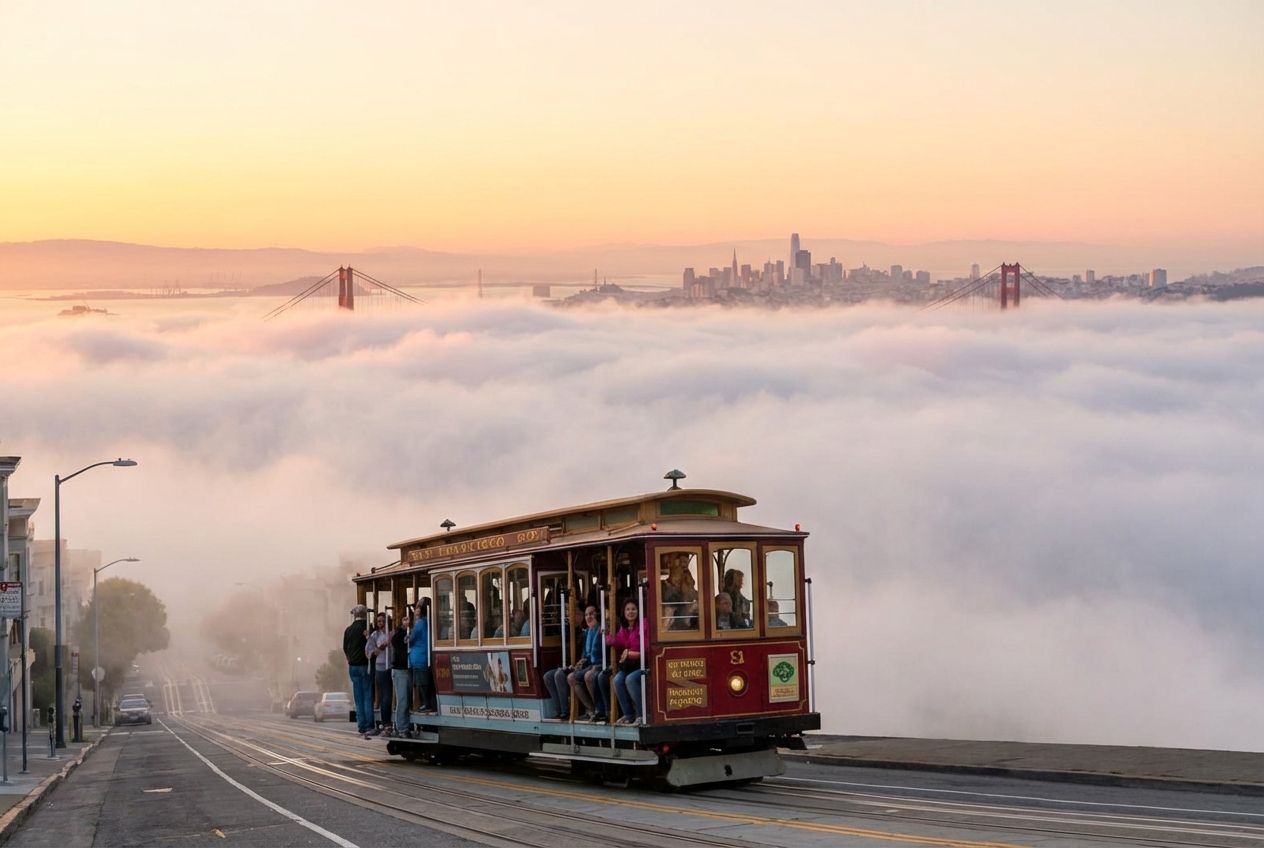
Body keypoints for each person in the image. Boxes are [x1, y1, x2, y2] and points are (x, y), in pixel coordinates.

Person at [607, 598, 646, 725]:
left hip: (644, 664)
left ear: (638, 610)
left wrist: (630, 653)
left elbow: (645, 647)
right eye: (628, 609)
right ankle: (629, 714)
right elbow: (619, 642)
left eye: (633, 609)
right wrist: (607, 637)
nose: (631, 612)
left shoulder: (643, 624)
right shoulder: (625, 628)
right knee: (617, 680)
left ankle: (641, 714)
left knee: (630, 679)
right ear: (623, 612)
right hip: (631, 666)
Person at [570, 606, 607, 722]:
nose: (588, 617)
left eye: (591, 614)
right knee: (571, 677)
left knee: (589, 676)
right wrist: (579, 664)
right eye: (586, 615)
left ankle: (600, 709)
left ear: (597, 615)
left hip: (601, 663)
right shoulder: (587, 632)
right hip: (590, 665)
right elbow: (585, 654)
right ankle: (590, 709)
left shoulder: (601, 629)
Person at [344, 605, 373, 735]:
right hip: (365, 665)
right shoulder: (367, 628)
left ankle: (361, 725)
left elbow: (345, 648)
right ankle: (369, 724)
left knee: (358, 697)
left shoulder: (348, 630)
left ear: (355, 615)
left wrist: (350, 659)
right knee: (367, 695)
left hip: (353, 666)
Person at [365, 611, 392, 736]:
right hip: (380, 668)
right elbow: (369, 651)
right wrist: (377, 649)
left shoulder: (391, 633)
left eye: (382, 621)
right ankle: (386, 723)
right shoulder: (375, 635)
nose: (380, 623)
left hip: (392, 665)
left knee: (390, 695)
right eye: (379, 621)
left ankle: (388, 722)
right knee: (384, 696)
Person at [408, 598, 436, 714]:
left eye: (417, 607)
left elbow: (411, 639)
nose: (415, 609)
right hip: (424, 656)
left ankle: (427, 704)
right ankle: (428, 703)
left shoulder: (420, 623)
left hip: (419, 657)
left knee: (423, 683)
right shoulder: (427, 622)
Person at [389, 609, 411, 737]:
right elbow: (399, 648)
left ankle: (404, 726)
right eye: (404, 619)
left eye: (409, 619)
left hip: (409, 669)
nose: (407, 621)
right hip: (400, 670)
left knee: (407, 700)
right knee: (402, 699)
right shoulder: (398, 634)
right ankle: (402, 729)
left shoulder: (411, 632)